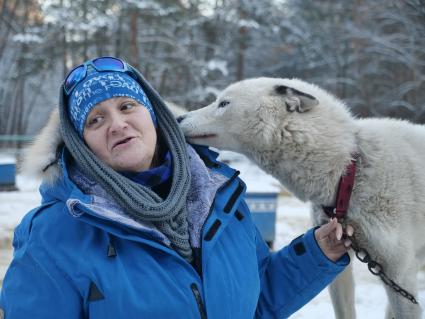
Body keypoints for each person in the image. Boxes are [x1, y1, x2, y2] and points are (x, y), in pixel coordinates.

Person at [0, 56, 354, 319]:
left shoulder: (220, 198)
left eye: (127, 106)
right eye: (96, 120)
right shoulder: (52, 234)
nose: (118, 124)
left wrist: (317, 254)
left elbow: (256, 303)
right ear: (81, 144)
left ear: (154, 114)